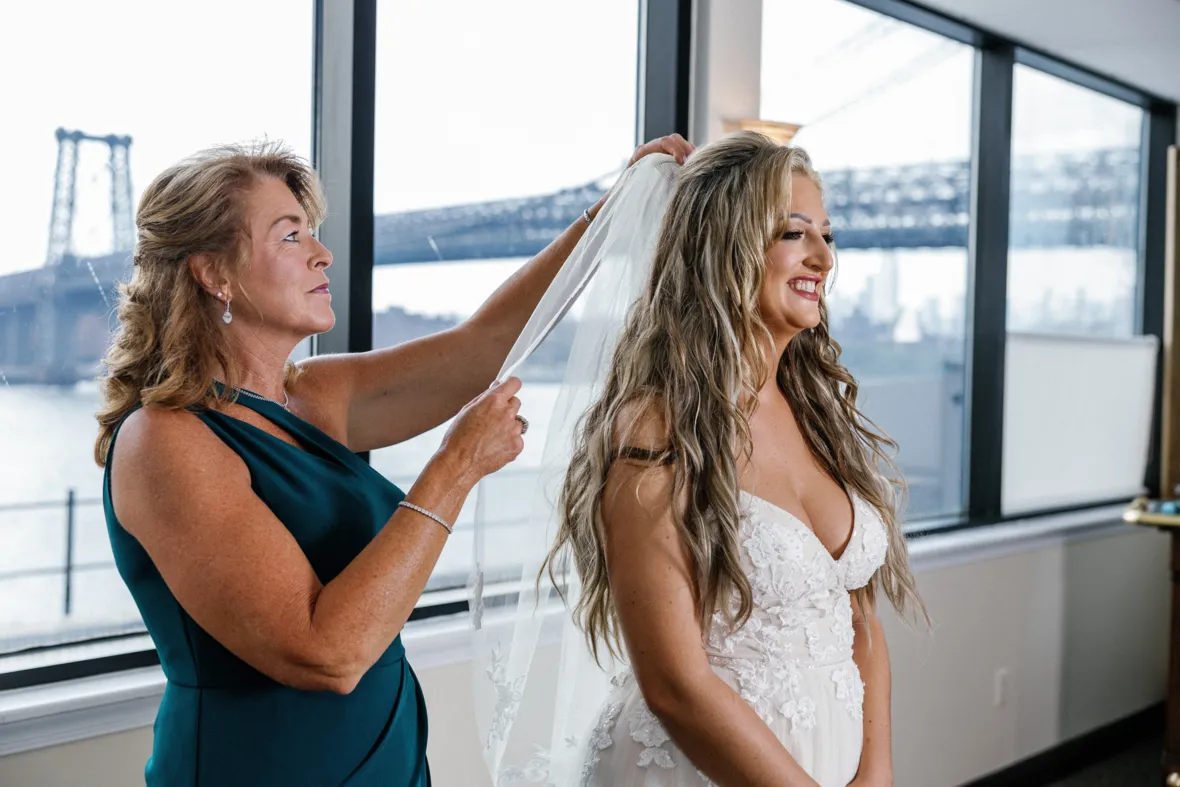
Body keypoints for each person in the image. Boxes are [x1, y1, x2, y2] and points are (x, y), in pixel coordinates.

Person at [94, 133, 692, 787]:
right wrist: (456, 465)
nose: (323, 253)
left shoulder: (314, 396)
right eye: (291, 236)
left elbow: (486, 343)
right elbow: (329, 653)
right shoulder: (164, 440)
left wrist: (608, 215)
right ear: (214, 273)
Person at [473, 132, 926, 787]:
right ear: (726, 244)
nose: (823, 257)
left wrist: (875, 773)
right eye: (794, 233)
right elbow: (675, 684)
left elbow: (856, 615)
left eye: (827, 235)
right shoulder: (656, 429)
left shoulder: (818, 412)